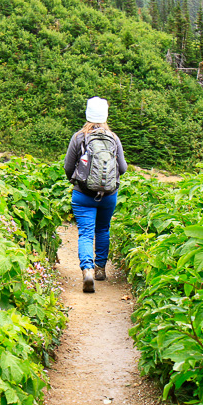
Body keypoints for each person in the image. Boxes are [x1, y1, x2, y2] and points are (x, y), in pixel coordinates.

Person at [64, 96, 128, 293]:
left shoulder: (78, 137)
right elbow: (123, 168)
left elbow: (68, 166)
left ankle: (87, 270)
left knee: (85, 232)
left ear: (87, 114)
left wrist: (74, 180)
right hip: (109, 194)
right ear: (105, 115)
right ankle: (100, 268)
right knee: (102, 229)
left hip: (83, 194)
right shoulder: (114, 138)